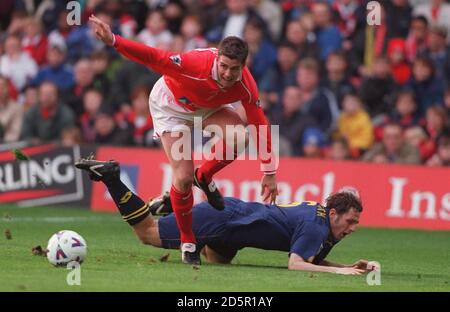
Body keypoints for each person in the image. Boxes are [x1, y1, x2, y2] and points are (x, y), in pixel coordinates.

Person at [89, 15, 278, 265]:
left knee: (239, 137)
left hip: (205, 109)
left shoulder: (246, 84)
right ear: (217, 58)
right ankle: (188, 241)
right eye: (223, 66)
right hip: (171, 107)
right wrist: (114, 40)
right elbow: (153, 56)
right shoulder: (193, 64)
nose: (228, 73)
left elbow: (259, 122)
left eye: (234, 69)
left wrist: (269, 170)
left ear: (244, 65)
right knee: (183, 177)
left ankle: (205, 176)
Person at [75, 158, 377, 274]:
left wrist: (348, 265)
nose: (353, 228)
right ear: (334, 212)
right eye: (351, 221)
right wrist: (342, 272)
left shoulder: (324, 221)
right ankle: (113, 177)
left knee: (218, 262)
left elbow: (310, 257)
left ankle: (176, 206)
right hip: (226, 221)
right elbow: (296, 264)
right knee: (147, 233)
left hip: (234, 230)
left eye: (356, 223)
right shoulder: (317, 226)